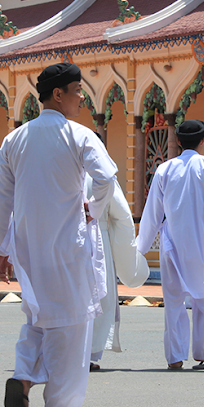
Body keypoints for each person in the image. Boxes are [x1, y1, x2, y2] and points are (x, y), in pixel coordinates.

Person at [0, 62, 117, 407]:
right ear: (58, 94)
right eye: (77, 91)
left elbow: (2, 199)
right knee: (72, 325)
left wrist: (0, 249)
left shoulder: (13, 139)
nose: (82, 98)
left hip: (28, 248)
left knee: (37, 315)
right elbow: (106, 178)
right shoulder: (79, 135)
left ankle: (24, 375)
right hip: (69, 246)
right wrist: (94, 208)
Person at [136, 120, 204, 371]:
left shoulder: (164, 170)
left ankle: (175, 357)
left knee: (174, 299)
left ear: (178, 141)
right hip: (202, 241)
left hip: (171, 242)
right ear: (202, 141)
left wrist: (140, 249)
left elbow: (152, 213)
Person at [86, 145, 139, 371]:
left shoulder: (62, 169)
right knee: (97, 294)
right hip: (98, 238)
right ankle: (87, 353)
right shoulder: (103, 175)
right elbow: (123, 216)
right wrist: (128, 255)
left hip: (63, 239)